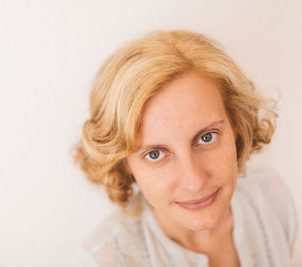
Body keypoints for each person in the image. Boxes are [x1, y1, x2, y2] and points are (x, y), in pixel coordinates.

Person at [72, 30, 298, 267]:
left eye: (207, 138)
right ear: (123, 163)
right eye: (155, 154)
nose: (195, 182)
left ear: (237, 128)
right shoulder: (103, 260)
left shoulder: (272, 200)